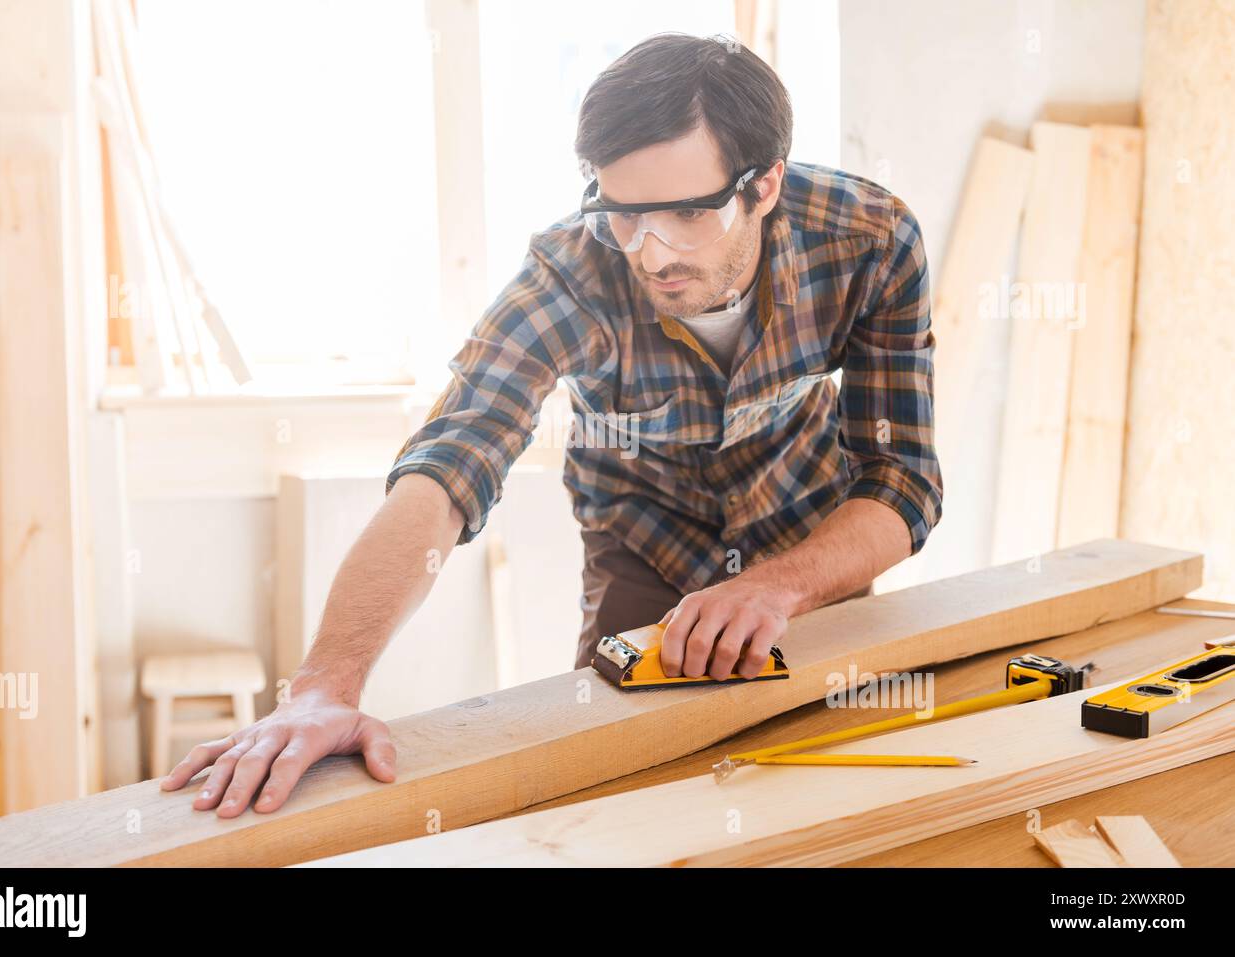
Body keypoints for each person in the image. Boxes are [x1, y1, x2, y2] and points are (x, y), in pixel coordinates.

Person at [161, 33, 943, 817]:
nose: (651, 252)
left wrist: (778, 586)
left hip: (805, 544)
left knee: (823, 793)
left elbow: (901, 480)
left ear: (764, 184)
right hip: (644, 543)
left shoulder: (869, 242)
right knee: (616, 805)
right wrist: (324, 685)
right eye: (624, 216)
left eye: (686, 213)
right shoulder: (574, 273)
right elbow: (450, 463)